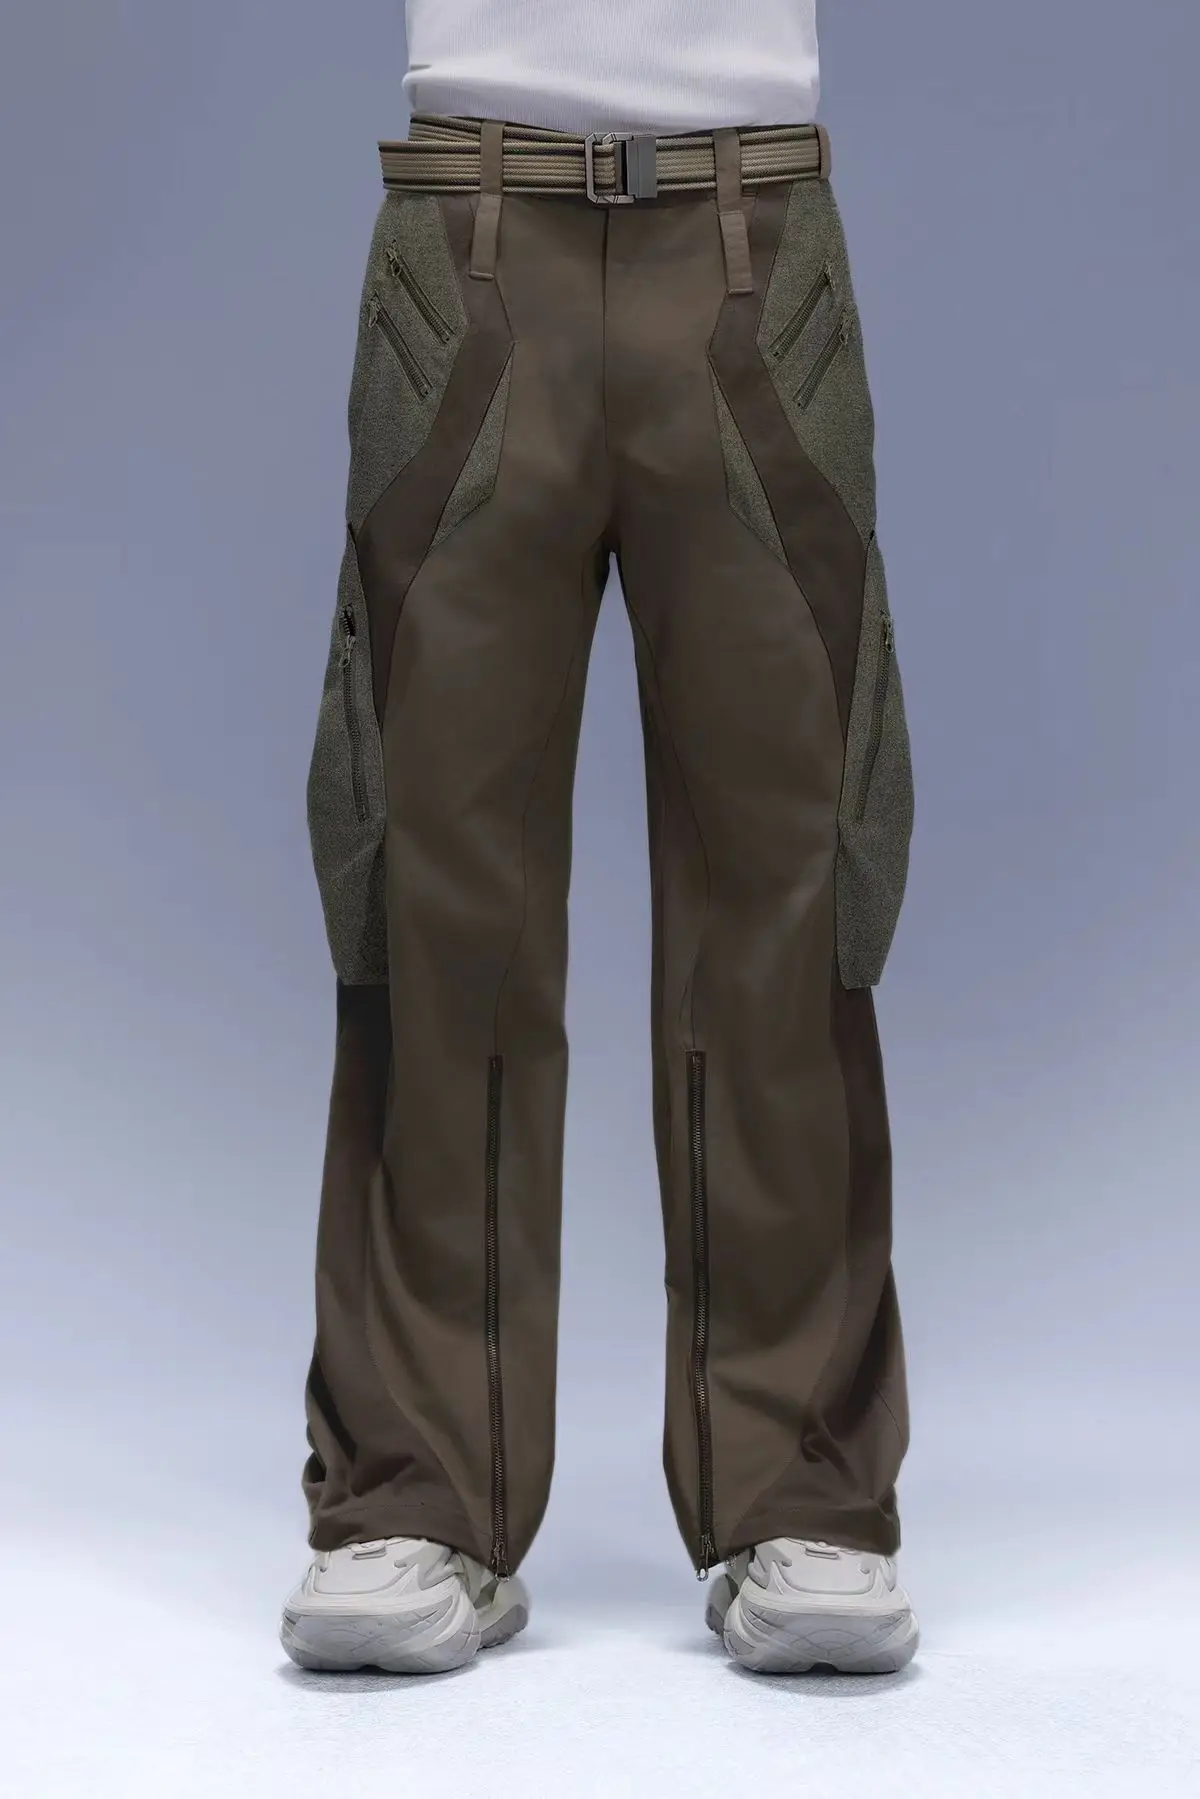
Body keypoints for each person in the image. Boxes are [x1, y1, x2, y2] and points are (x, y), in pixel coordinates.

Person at [280, 0, 919, 1677]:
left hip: (753, 234)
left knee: (797, 873)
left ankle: (804, 1485)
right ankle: (417, 1486)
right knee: (427, 878)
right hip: (470, 230)